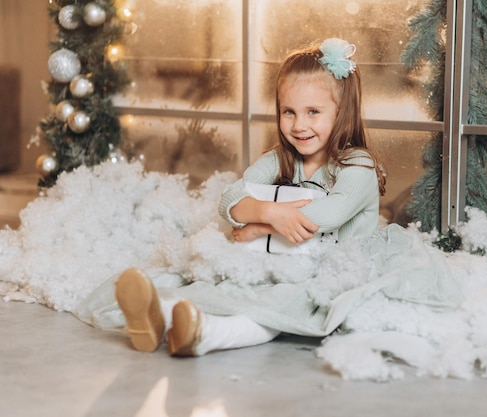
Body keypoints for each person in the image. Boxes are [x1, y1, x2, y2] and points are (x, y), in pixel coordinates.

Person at [77, 38, 462, 357]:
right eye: (288, 112)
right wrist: (263, 212)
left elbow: (322, 217)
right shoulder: (281, 157)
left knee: (287, 305)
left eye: (313, 111)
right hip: (286, 257)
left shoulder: (356, 166)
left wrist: (260, 223)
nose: (299, 125)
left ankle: (205, 333)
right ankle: (159, 313)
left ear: (342, 112)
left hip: (337, 266)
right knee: (234, 286)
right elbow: (230, 197)